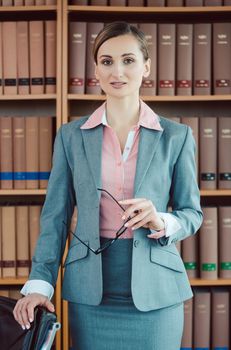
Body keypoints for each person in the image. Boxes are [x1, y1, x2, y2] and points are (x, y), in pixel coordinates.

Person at [13, 21, 203, 350]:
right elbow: (55, 217)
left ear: (146, 67)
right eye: (107, 61)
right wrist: (40, 285)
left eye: (128, 60)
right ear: (96, 71)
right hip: (91, 292)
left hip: (157, 294)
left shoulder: (177, 136)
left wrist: (162, 220)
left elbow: (192, 213)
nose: (117, 70)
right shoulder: (71, 137)